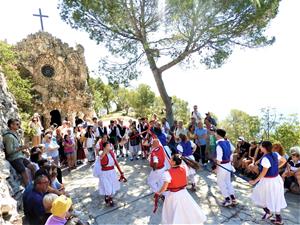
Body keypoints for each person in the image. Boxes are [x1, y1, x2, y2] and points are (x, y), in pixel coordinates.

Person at [155, 154, 207, 224]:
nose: (169, 160)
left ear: (173, 162)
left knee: (173, 212)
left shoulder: (167, 173)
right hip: (184, 193)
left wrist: (158, 193)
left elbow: (164, 188)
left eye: (171, 159)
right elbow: (185, 180)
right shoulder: (184, 168)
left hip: (173, 196)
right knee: (186, 211)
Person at [249, 141, 287, 225]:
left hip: (268, 181)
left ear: (264, 148)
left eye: (261, 146)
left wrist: (254, 181)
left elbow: (263, 173)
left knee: (258, 195)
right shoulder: (275, 154)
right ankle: (278, 218)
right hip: (277, 179)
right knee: (275, 198)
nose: (260, 147)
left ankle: (268, 212)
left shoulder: (265, 159)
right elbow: (284, 160)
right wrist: (276, 166)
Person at [2, 118, 35, 186]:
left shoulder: (14, 134)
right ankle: (28, 190)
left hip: (19, 156)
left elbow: (17, 147)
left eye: (19, 124)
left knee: (33, 167)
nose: (19, 125)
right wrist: (22, 147)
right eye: (17, 124)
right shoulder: (9, 136)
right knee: (24, 172)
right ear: (11, 125)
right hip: (14, 158)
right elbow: (9, 151)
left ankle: (36, 184)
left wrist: (23, 151)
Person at [214, 129, 237, 206]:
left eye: (215, 133)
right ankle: (233, 199)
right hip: (228, 165)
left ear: (218, 135)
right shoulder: (227, 142)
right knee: (228, 182)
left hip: (222, 166)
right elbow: (233, 150)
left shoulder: (219, 145)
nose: (214, 134)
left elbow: (219, 159)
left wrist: (217, 168)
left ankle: (227, 199)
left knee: (220, 182)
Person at [97, 142, 124, 206]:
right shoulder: (101, 153)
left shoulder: (112, 153)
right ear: (104, 147)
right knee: (107, 187)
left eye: (110, 146)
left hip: (112, 172)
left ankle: (108, 197)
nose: (109, 147)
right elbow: (101, 157)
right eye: (108, 146)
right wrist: (105, 151)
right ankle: (110, 198)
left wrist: (121, 172)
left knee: (112, 186)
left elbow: (116, 163)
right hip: (104, 173)